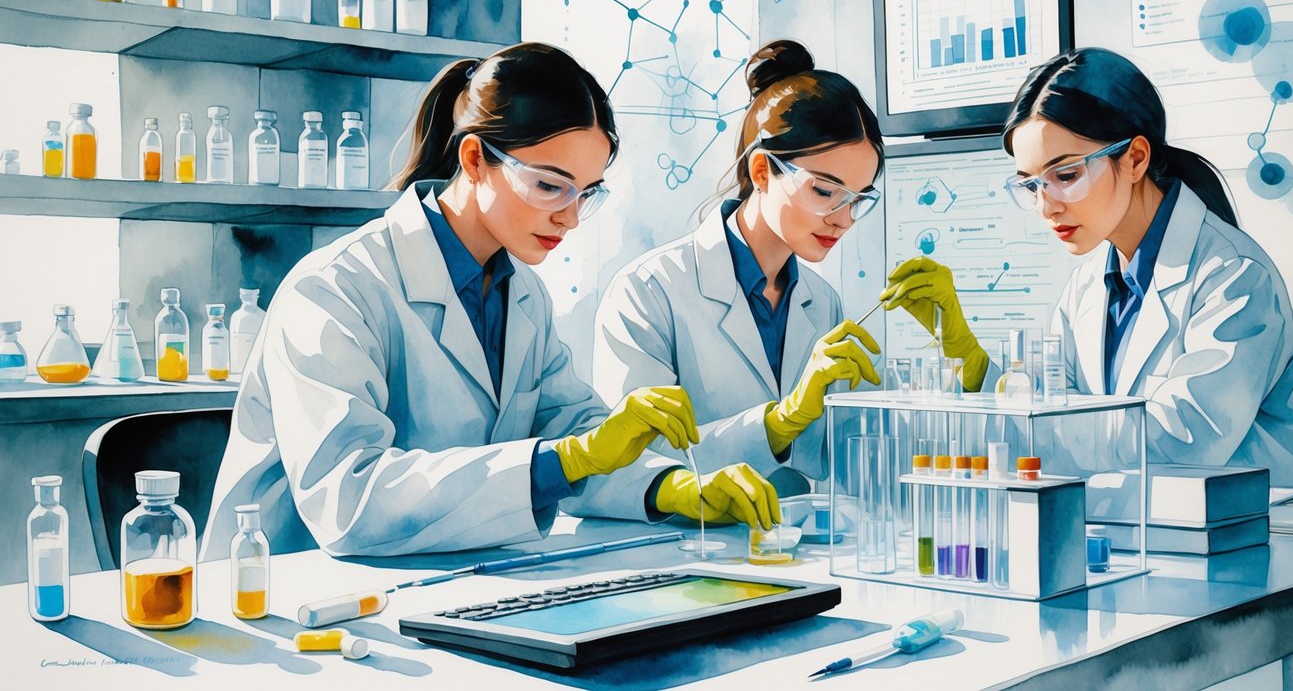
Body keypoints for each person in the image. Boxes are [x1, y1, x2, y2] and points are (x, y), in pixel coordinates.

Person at [203, 43, 779, 561]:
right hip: (288, 602)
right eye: (550, 185)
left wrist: (669, 486)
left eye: (587, 192)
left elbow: (577, 430)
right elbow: (349, 497)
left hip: (440, 585)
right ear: (475, 159)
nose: (571, 216)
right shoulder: (334, 287)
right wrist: (569, 458)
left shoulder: (521, 293)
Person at [990, 47, 1293, 486]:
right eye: (1031, 185)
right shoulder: (1086, 288)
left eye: (1066, 175)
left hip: (1270, 532)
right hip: (1150, 530)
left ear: (1134, 158)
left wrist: (1051, 428)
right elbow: (1047, 410)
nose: (1045, 206)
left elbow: (1180, 442)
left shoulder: (1234, 276)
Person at [594, 39, 886, 490]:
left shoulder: (821, 303)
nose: (843, 219)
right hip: (684, 551)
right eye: (826, 192)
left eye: (859, 200)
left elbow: (847, 459)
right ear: (762, 172)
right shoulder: (648, 291)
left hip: (792, 550)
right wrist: (780, 422)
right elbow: (630, 465)